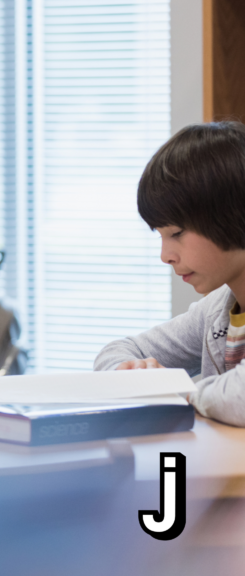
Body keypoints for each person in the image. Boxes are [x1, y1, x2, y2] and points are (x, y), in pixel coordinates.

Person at [95, 122, 245, 427]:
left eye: (176, 233)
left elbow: (238, 397)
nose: (166, 256)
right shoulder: (217, 309)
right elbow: (118, 351)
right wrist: (131, 374)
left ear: (232, 214)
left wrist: (169, 389)